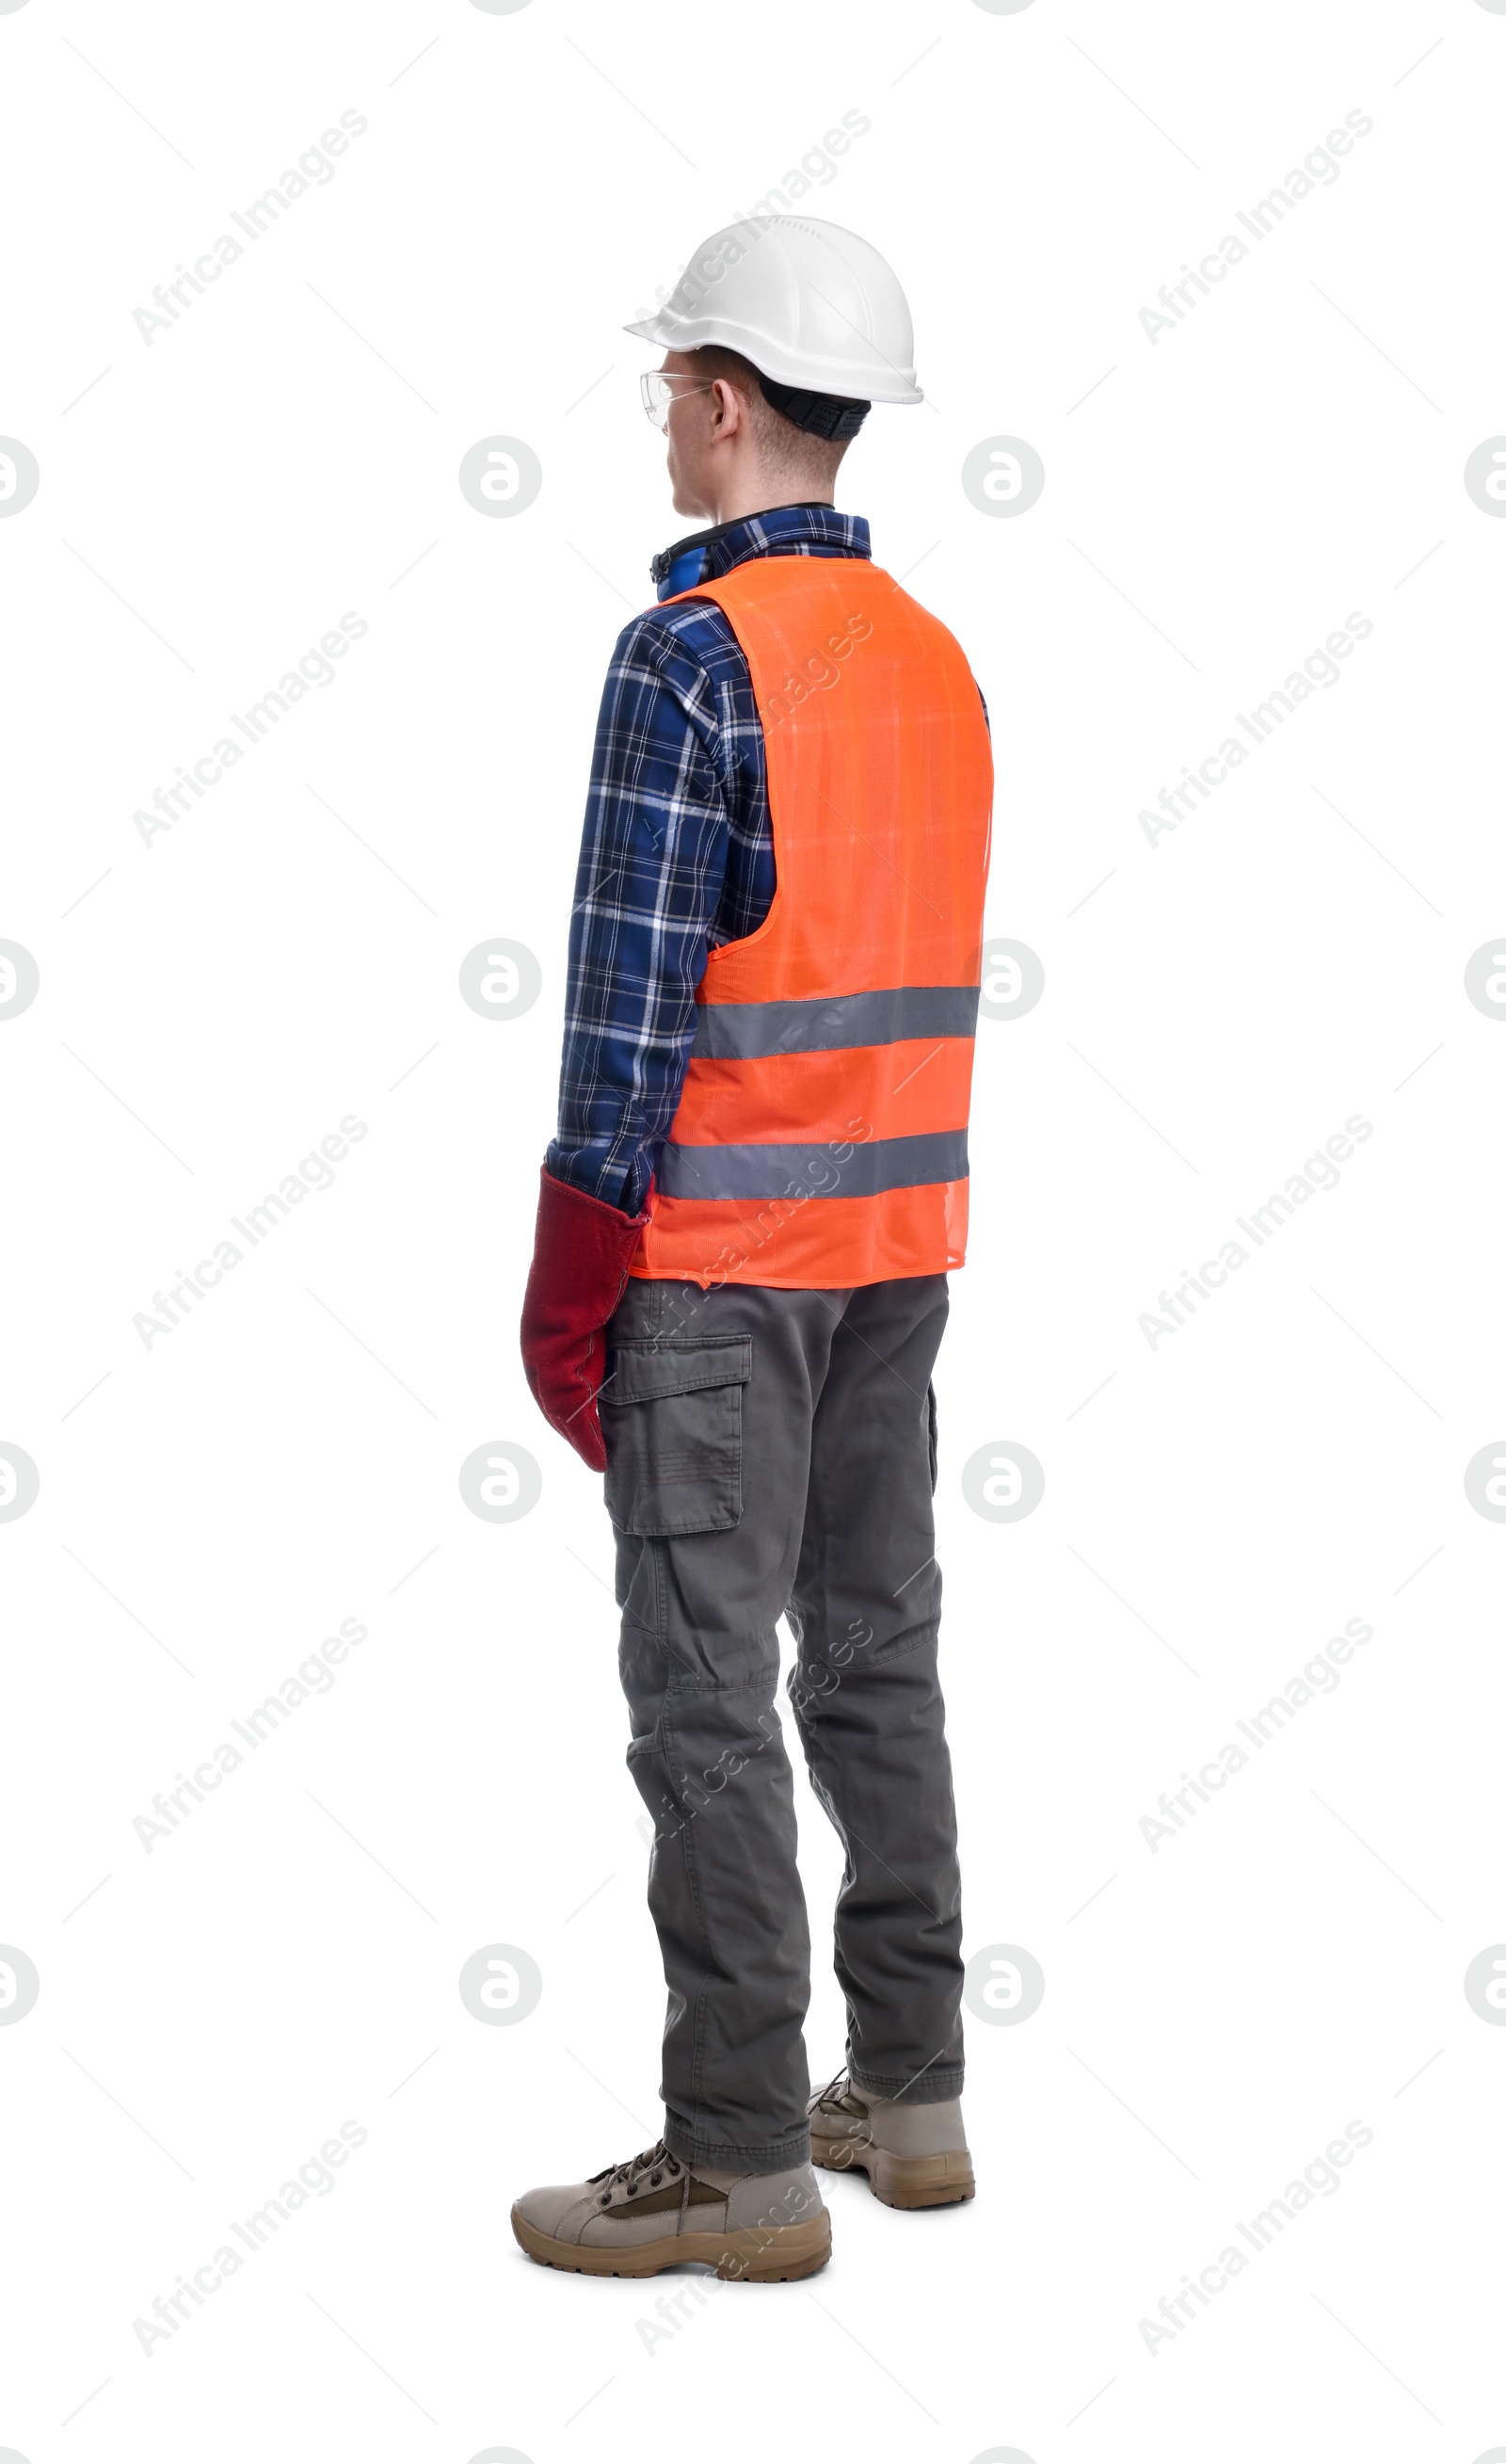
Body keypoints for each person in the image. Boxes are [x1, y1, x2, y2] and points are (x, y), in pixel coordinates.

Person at [514, 217, 993, 2282]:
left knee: (702, 1700)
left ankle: (737, 2155)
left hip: (711, 1269)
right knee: (874, 1664)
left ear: (719, 399)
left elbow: (626, 1012)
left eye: (666, 396)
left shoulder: (685, 660)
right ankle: (907, 2087)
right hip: (896, 1254)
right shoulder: (929, 660)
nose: (665, 430)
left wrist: (567, 1273)